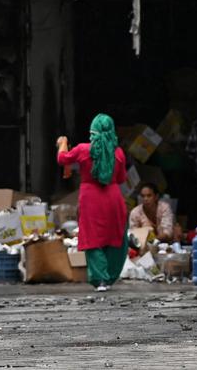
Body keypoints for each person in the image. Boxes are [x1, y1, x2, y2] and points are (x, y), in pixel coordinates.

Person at [57, 114, 129, 291]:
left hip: (90, 199)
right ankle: (110, 277)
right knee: (115, 237)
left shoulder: (83, 150)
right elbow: (120, 179)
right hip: (113, 198)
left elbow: (62, 159)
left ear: (93, 131)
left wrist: (62, 144)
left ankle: (100, 280)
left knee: (93, 238)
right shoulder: (118, 153)